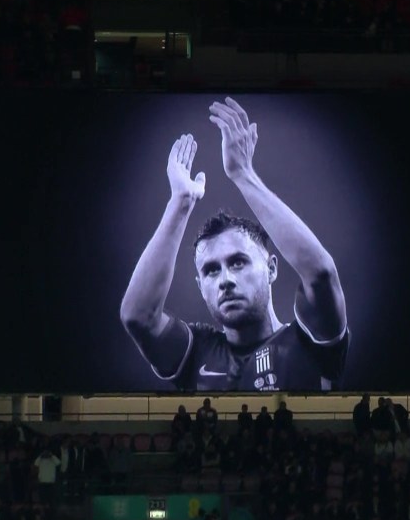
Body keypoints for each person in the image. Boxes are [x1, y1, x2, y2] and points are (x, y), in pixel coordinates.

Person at [120, 97, 350, 392]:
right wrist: (180, 202)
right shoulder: (195, 353)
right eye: (211, 271)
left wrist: (243, 174)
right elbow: (137, 316)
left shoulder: (310, 340)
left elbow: (320, 273)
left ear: (271, 268)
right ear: (200, 285)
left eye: (238, 262)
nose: (225, 280)